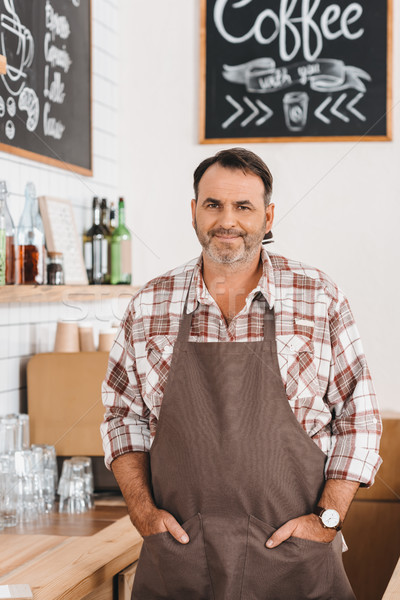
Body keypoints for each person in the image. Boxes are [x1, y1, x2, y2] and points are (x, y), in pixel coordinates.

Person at [101, 148, 382, 599]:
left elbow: (360, 419)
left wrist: (327, 519)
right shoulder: (149, 304)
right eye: (213, 205)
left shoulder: (319, 297)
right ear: (194, 212)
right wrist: (141, 512)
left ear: (268, 217)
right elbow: (122, 417)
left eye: (243, 207)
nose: (226, 220)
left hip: (296, 563)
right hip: (181, 561)